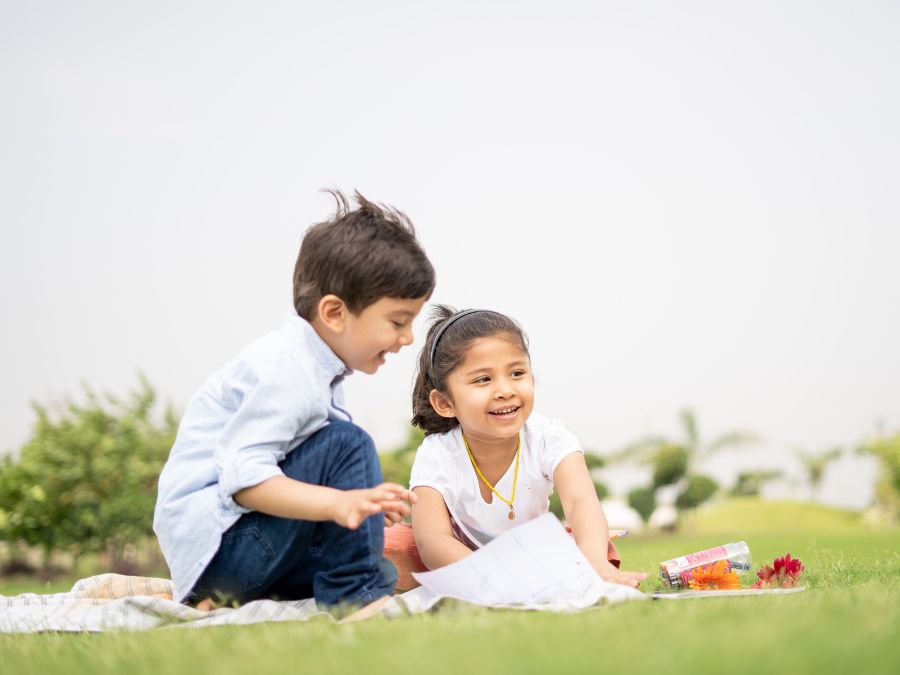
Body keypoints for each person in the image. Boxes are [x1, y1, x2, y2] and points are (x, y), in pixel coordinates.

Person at [153, 191, 435, 613]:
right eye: (398, 321)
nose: (408, 338)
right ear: (335, 313)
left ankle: (224, 600)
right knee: (347, 443)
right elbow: (244, 482)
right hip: (221, 545)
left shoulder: (315, 370)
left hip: (234, 555)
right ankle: (354, 599)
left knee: (380, 561)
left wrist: (362, 505)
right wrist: (339, 502)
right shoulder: (287, 370)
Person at [408, 306, 647, 587]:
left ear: (532, 377)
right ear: (445, 403)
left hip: (533, 554)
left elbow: (580, 501)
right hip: (465, 561)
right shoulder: (437, 453)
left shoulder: (549, 437)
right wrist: (497, 578)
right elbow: (433, 541)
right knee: (398, 545)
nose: (505, 390)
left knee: (597, 542)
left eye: (517, 373)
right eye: (483, 379)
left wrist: (595, 562)